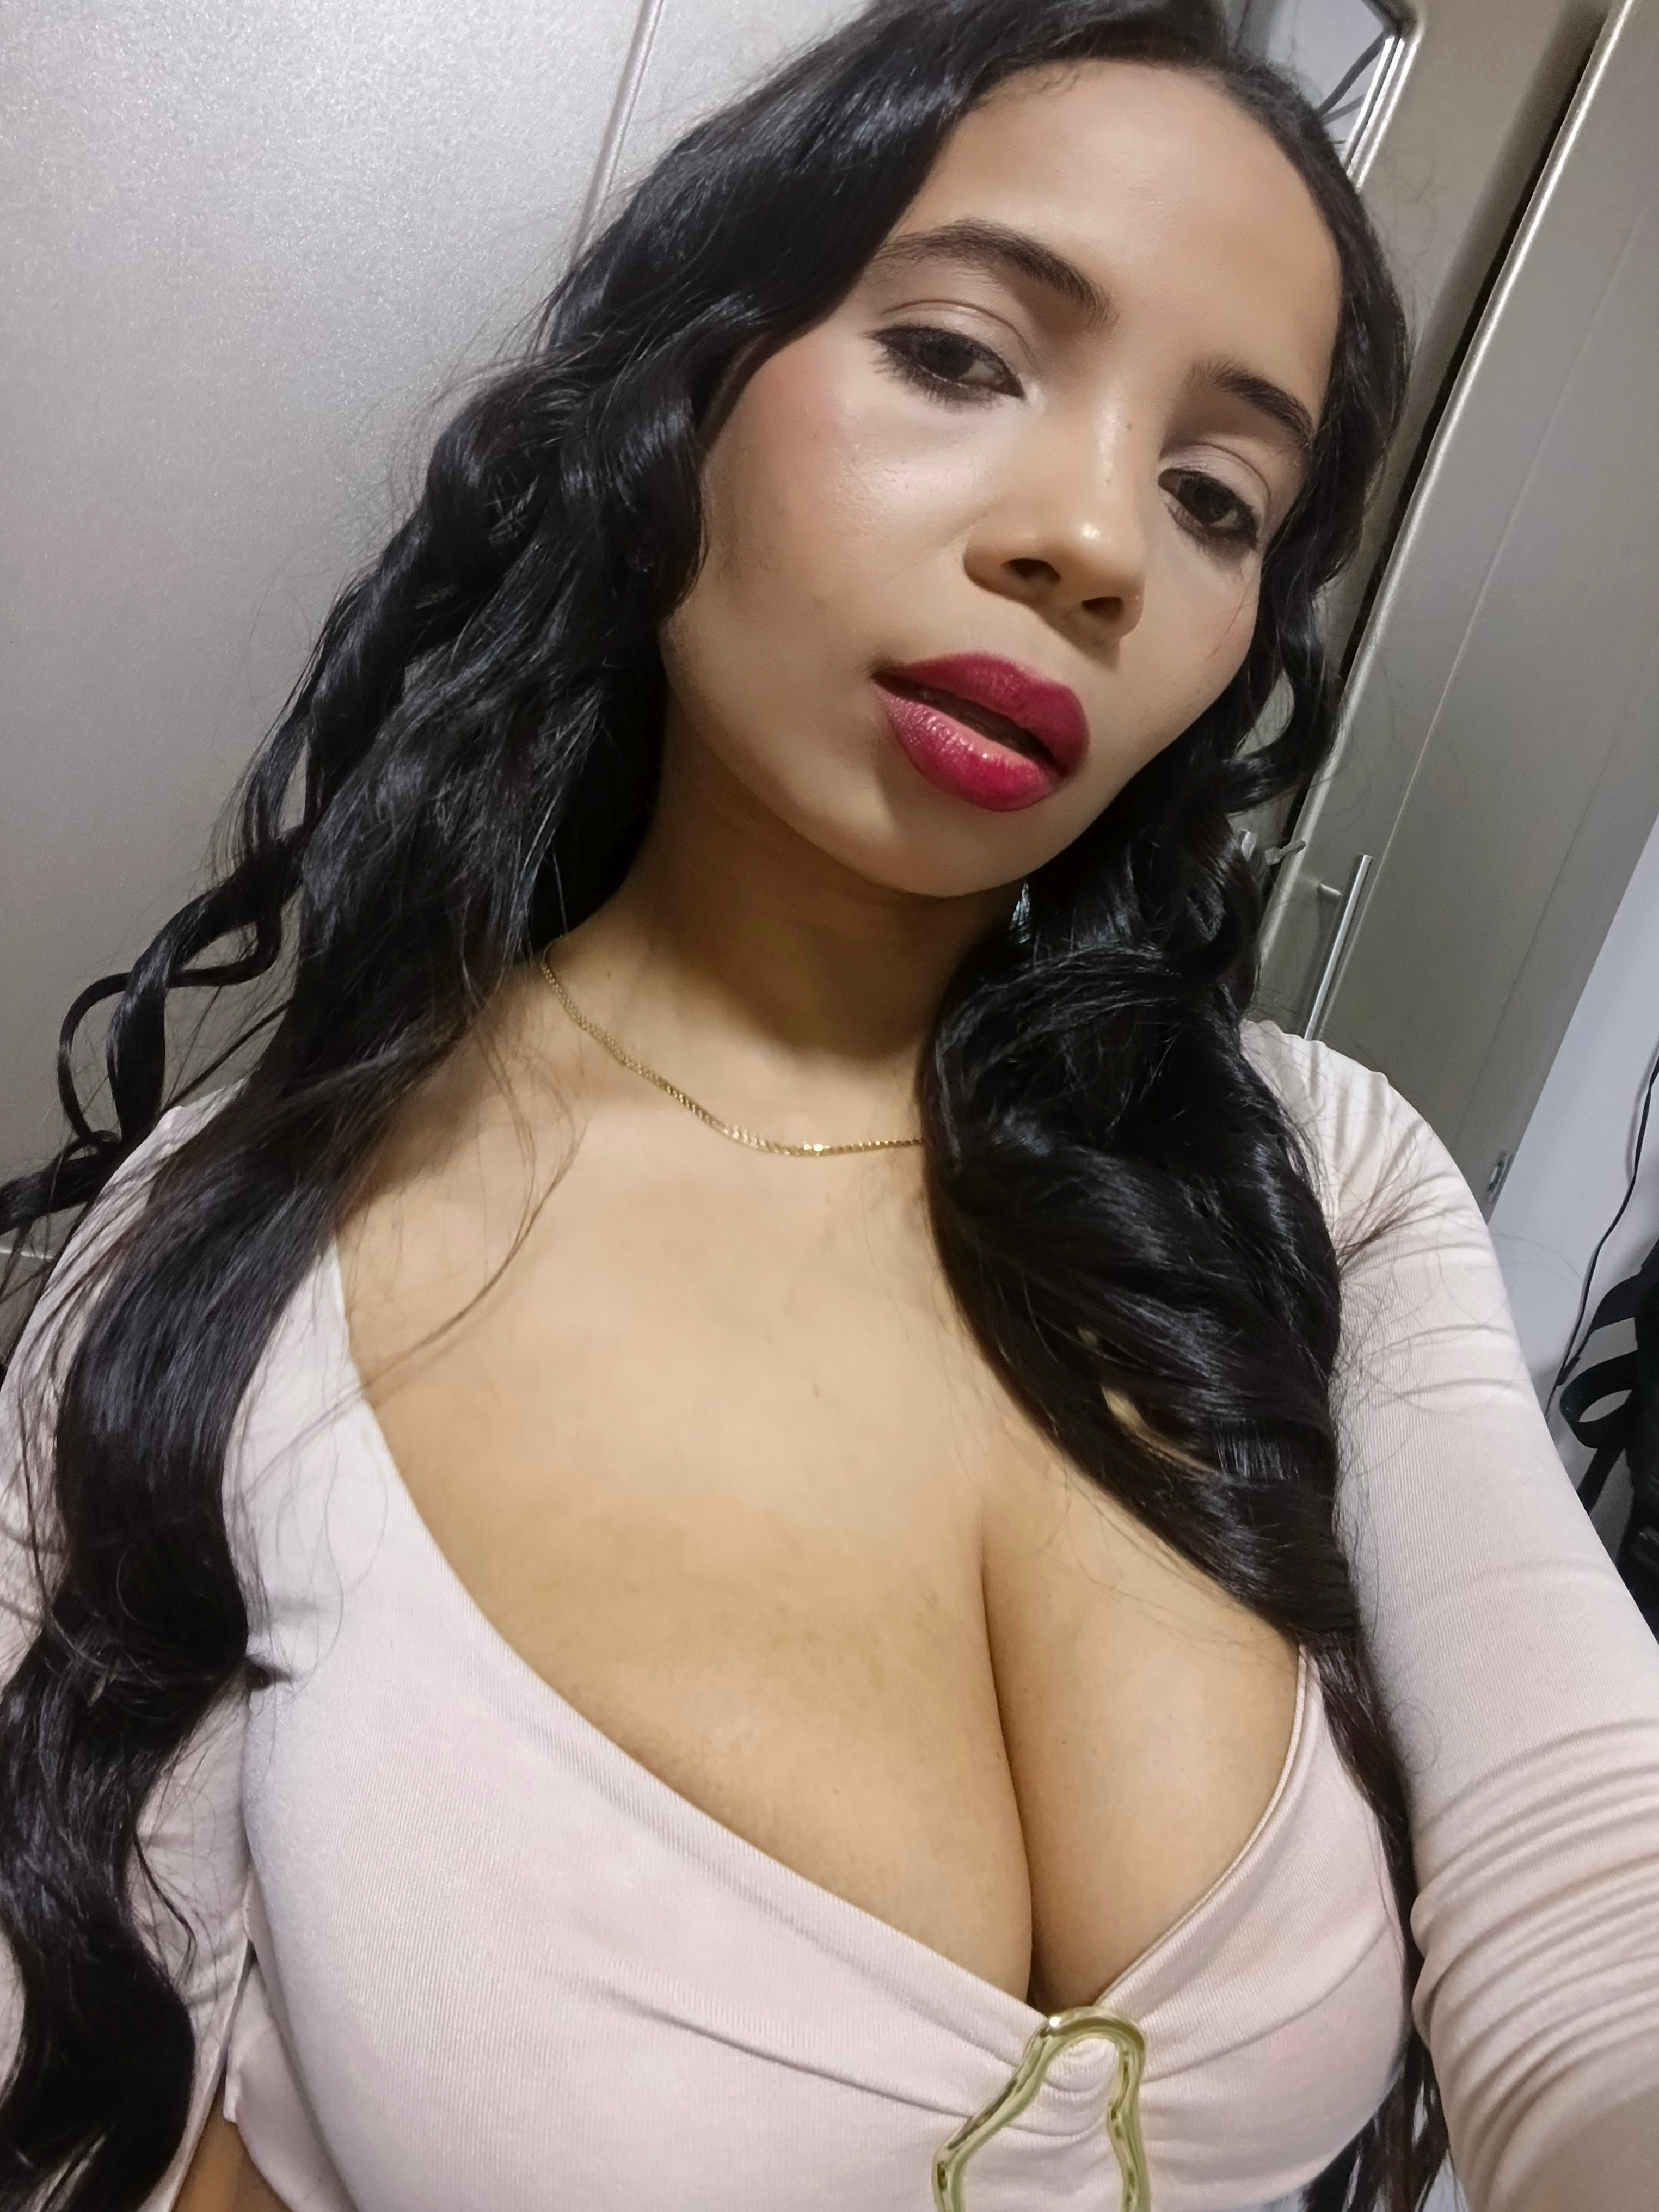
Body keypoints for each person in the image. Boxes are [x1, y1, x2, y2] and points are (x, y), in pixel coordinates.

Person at [3, 1, 1657, 2207]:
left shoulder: (1315, 1185)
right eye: (963, 355)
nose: (1098, 540)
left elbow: (1594, 1909)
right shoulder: (245, 1265)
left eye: (1215, 496)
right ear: (683, 392)